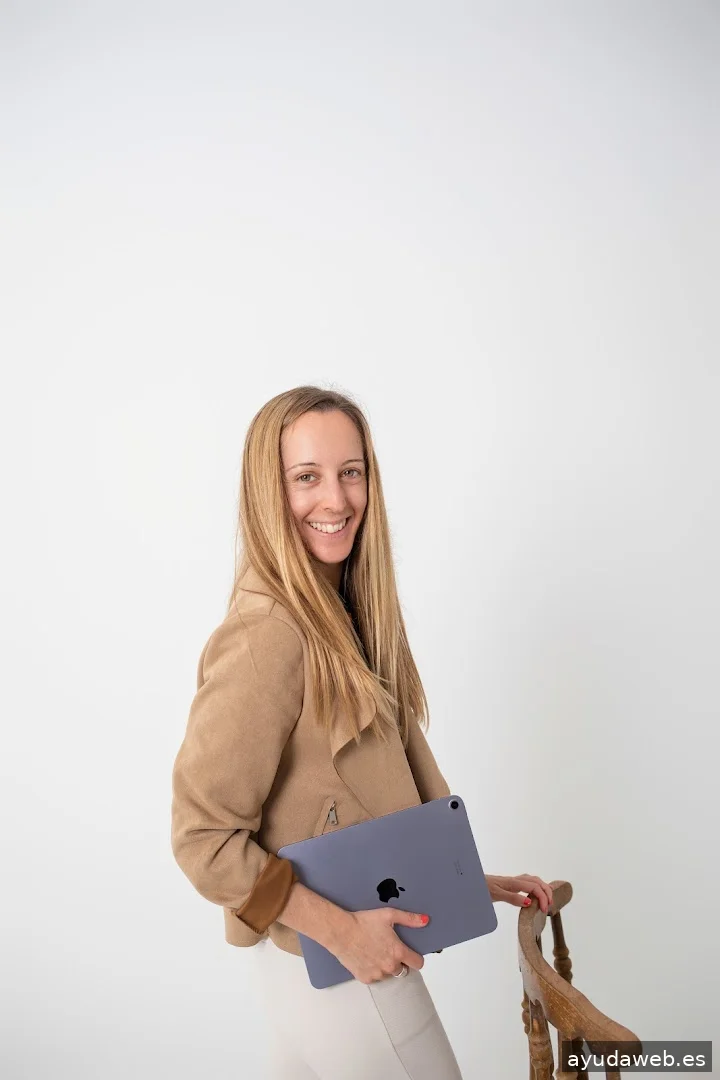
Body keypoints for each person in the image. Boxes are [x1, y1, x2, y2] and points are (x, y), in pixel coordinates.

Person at [170, 385, 553, 1079]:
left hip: (320, 971)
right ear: (266, 492)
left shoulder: (335, 613)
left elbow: (339, 800)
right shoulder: (268, 633)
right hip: (342, 967)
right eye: (306, 477)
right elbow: (203, 839)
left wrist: (467, 882)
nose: (337, 499)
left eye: (351, 472)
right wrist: (345, 933)